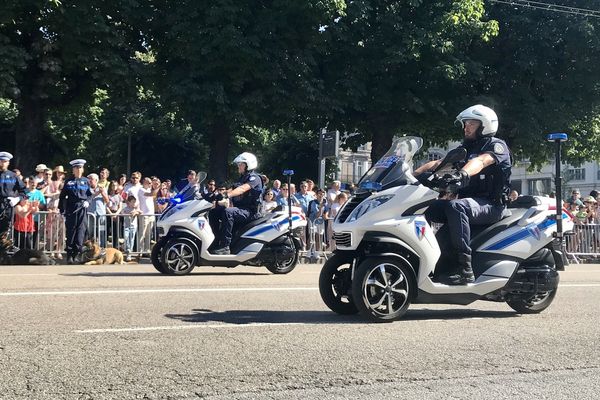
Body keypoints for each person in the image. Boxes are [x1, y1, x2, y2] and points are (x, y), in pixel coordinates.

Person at [414, 104, 512, 285]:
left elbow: (481, 161)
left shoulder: (497, 146)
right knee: (423, 206)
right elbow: (438, 164)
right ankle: (420, 256)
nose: (466, 127)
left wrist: (463, 173)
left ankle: (464, 268)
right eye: (465, 124)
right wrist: (411, 175)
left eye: (471, 124)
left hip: (491, 205)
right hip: (471, 204)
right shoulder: (464, 147)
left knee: (456, 206)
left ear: (485, 125)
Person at [211, 152, 263, 255]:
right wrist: (215, 195)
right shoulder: (242, 178)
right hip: (242, 210)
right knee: (214, 212)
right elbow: (232, 189)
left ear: (248, 165)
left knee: (228, 212)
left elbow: (242, 189)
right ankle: (215, 241)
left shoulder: (255, 178)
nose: (238, 166)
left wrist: (227, 195)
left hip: (251, 211)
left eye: (241, 164)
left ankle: (225, 247)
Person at [58, 159, 93, 264]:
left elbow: (90, 195)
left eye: (80, 167)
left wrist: (87, 201)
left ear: (83, 169)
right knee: (71, 232)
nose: (78, 169)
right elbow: (62, 196)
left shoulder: (86, 181)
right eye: (76, 168)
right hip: (71, 208)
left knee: (81, 232)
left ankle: (77, 254)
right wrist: (62, 210)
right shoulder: (69, 181)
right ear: (73, 170)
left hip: (82, 208)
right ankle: (69, 255)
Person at [0, 152, 26, 251]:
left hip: (7, 206)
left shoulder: (13, 176)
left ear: (8, 163)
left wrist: (17, 199)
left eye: (5, 161)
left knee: (4, 233)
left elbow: (23, 191)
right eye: (1, 161)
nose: (3, 163)